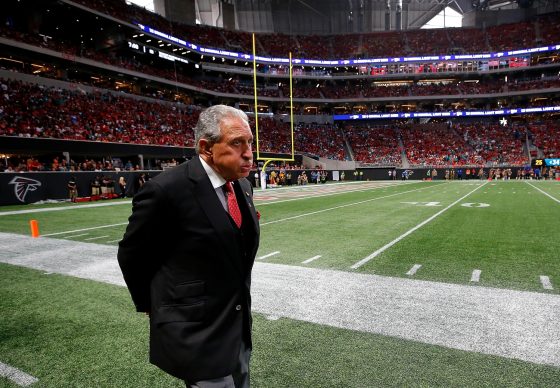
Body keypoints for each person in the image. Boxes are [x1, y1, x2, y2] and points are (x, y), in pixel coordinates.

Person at [118, 105, 260, 387]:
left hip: (236, 325)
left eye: (249, 142)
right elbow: (133, 254)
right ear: (206, 147)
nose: (248, 153)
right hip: (197, 329)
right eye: (236, 143)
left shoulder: (242, 185)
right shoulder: (167, 190)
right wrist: (152, 304)